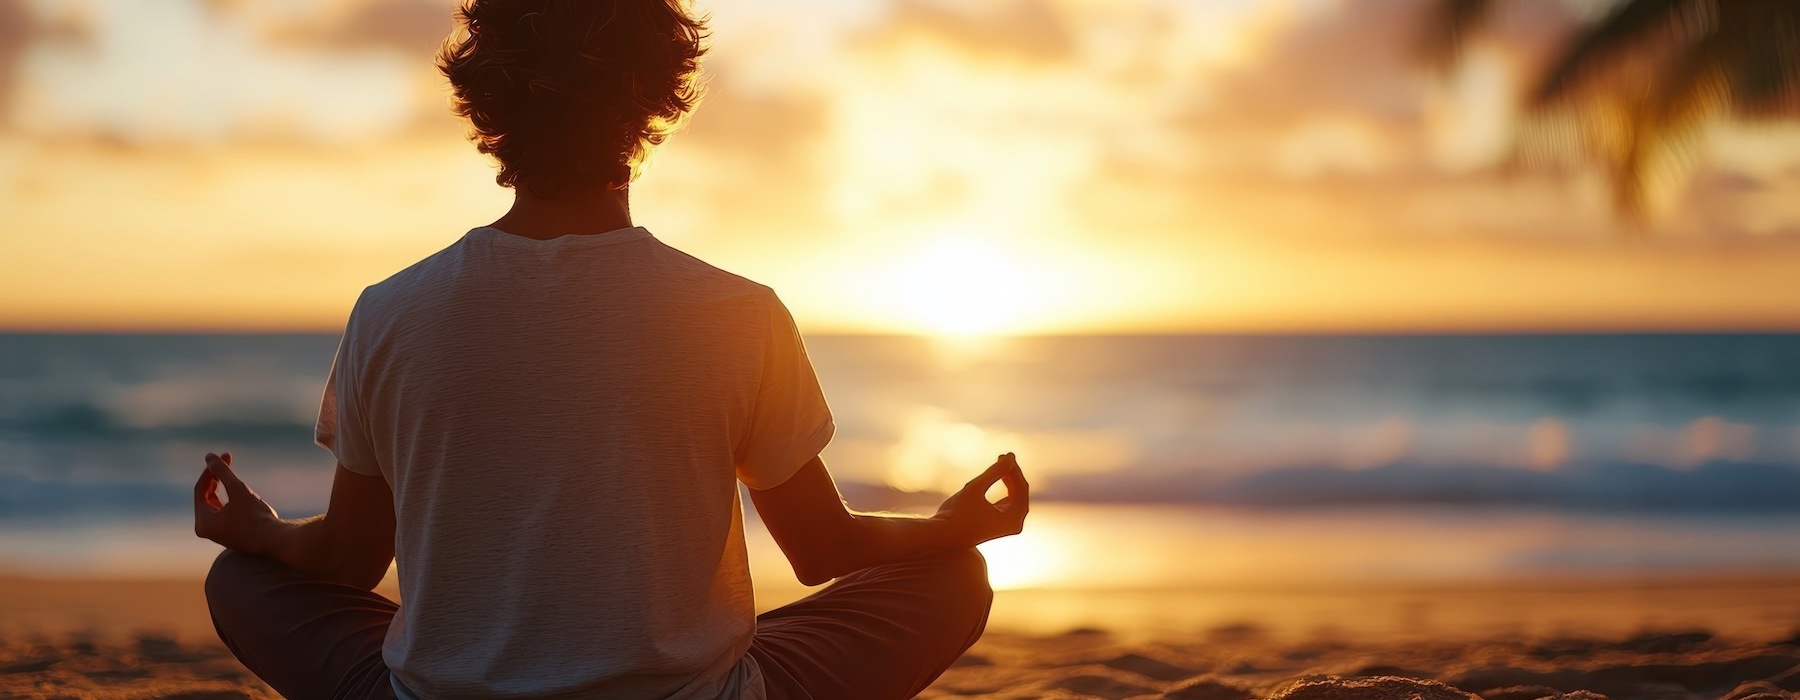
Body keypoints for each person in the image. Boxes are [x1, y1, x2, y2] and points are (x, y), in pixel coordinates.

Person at [190, 1, 1030, 698]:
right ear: (653, 106)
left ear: (487, 107)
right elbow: (825, 552)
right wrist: (949, 526)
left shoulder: (391, 311)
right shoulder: (739, 312)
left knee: (239, 581)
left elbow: (345, 559)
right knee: (953, 577)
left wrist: (261, 531)